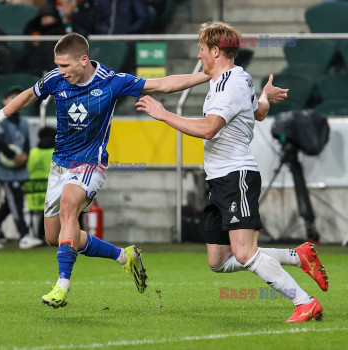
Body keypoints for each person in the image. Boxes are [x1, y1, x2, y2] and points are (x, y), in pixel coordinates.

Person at [0, 33, 286, 308]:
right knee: (54, 237)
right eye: (58, 65)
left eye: (66, 66)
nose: (61, 71)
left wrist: (209, 76)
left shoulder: (111, 81)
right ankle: (125, 257)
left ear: (83, 60)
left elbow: (163, 84)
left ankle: (62, 285)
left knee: (71, 207)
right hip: (60, 164)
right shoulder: (56, 79)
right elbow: (29, 94)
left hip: (90, 162)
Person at [135, 21, 329, 323]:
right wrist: (265, 96)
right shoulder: (233, 80)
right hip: (219, 178)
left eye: (201, 49)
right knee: (219, 261)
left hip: (236, 176)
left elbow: (210, 129)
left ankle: (304, 301)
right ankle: (297, 256)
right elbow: (258, 113)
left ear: (215, 50)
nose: (199, 55)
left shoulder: (231, 83)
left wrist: (163, 114)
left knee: (243, 253)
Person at [0, 86, 43, 249]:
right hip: (5, 168)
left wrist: (25, 156)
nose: (15, 101)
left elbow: (27, 144)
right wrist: (13, 156)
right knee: (15, 201)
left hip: (20, 168)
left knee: (11, 203)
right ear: (4, 102)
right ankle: (24, 236)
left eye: (18, 98)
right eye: (11, 98)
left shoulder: (23, 123)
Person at [24, 126, 57, 242]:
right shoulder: (56, 153)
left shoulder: (31, 153)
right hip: (52, 195)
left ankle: (38, 236)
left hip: (32, 194)